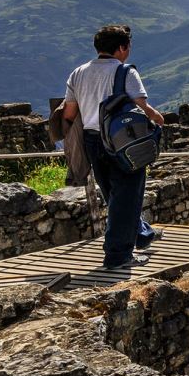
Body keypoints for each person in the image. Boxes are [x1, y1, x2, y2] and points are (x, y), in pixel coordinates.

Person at [62, 25, 167, 269]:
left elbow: (69, 112)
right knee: (127, 195)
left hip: (92, 141)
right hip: (123, 143)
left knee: (112, 193)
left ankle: (140, 235)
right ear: (121, 48)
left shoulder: (77, 73)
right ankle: (118, 255)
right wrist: (159, 119)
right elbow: (142, 107)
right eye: (128, 46)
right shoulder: (125, 72)